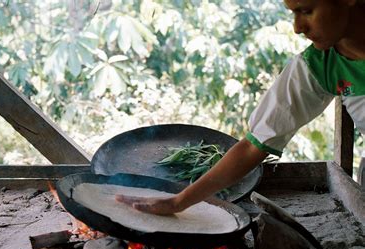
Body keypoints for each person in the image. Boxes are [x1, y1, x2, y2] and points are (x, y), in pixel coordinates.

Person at [116, 0, 365, 215]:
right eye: (292, 13)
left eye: (307, 10)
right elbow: (250, 147)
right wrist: (178, 202)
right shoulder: (319, 66)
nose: (297, 28)